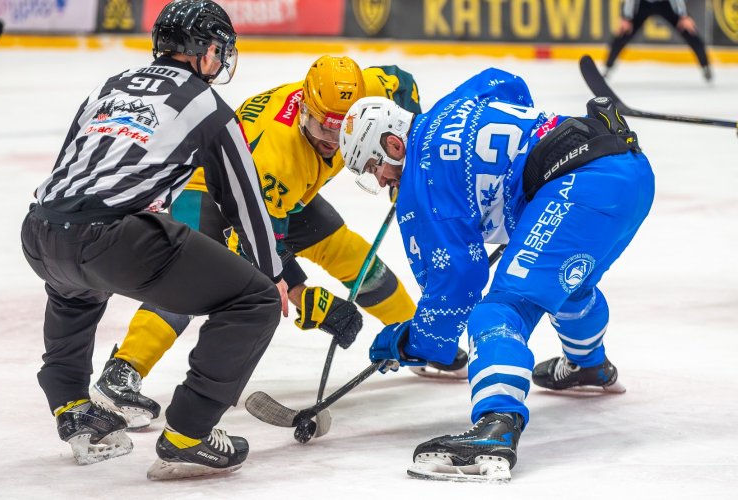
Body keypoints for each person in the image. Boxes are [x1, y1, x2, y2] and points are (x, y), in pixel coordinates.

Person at [92, 55, 471, 429]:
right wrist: (309, 300)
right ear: (304, 108)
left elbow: (401, 82)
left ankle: (419, 339)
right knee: (189, 283)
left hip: (286, 195)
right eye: (323, 128)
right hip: (213, 191)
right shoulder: (277, 156)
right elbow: (257, 249)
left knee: (351, 254)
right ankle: (122, 371)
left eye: (343, 131)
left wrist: (407, 160)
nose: (333, 143)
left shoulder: (365, 95)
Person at [339, 69, 655, 481]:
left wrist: (411, 341)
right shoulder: (451, 105)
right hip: (629, 171)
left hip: (580, 188)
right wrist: (514, 171)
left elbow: (458, 284)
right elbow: (504, 82)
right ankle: (588, 364)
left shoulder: (421, 183)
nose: (380, 180)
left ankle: (496, 428)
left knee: (500, 311)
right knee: (567, 286)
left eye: (373, 167)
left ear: (394, 144)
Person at [20, 0, 288, 480]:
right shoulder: (207, 104)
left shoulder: (110, 86)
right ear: (206, 51)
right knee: (255, 301)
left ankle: (73, 407)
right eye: (219, 50)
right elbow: (243, 199)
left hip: (40, 230)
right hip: (114, 239)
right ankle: (189, 433)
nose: (221, 59)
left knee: (75, 291)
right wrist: (273, 274)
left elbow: (67, 169)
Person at [604, 0, 712, 81]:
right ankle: (607, 68)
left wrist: (683, 16)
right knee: (623, 33)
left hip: (666, 3)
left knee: (689, 30)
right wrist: (626, 17)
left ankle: (705, 66)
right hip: (643, 4)